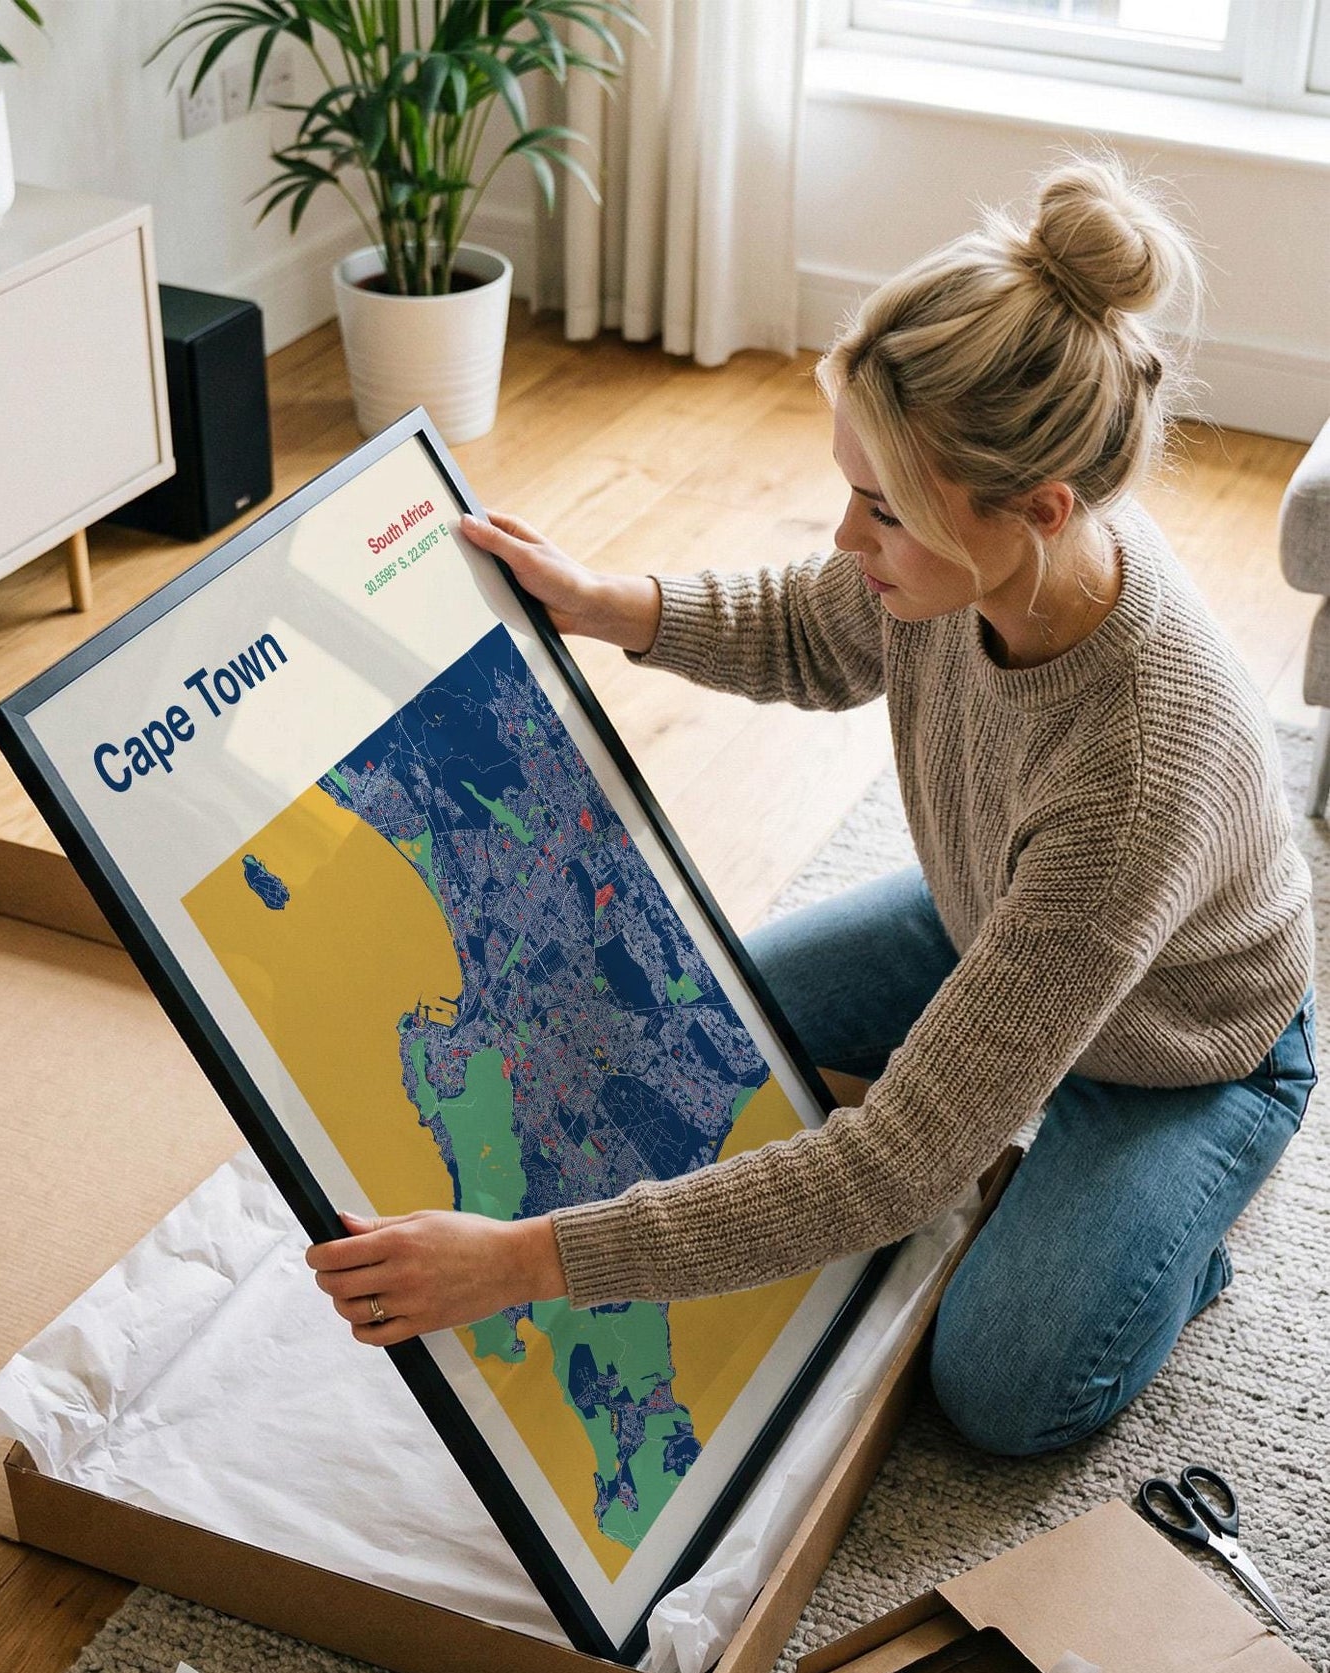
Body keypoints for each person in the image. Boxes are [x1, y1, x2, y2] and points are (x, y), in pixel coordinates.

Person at [308, 157, 1316, 1457]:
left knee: (1006, 1384)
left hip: (1184, 1045)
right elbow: (807, 624)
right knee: (672, 1035)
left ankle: (1166, 1244)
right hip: (984, 916)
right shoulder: (973, 565)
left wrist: (520, 1262)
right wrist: (602, 600)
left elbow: (896, 1165)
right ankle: (1038, 1123)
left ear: (1039, 512)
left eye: (882, 510)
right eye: (850, 486)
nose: (846, 537)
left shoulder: (1130, 777)